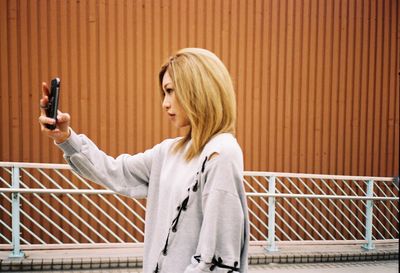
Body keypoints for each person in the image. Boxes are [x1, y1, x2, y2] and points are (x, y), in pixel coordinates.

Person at [39, 48, 249, 273]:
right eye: (164, 93)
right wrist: (66, 138)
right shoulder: (169, 151)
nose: (165, 103)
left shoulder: (221, 153)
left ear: (198, 89)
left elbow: (218, 259)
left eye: (170, 91)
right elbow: (115, 171)